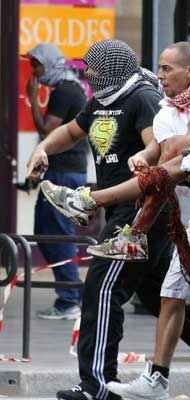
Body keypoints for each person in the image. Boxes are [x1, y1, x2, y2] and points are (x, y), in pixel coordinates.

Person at [27, 39, 190, 400]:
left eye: (96, 70)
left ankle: (96, 384)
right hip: (120, 209)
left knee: (103, 288)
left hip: (144, 212)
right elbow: (71, 131)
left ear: (115, 69)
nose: (91, 76)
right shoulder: (102, 99)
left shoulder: (142, 99)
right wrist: (42, 148)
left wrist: (97, 200)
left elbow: (159, 159)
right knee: (162, 296)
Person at [25, 43, 88, 320]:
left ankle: (70, 299)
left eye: (36, 65)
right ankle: (72, 293)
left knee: (58, 233)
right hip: (60, 171)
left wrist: (31, 100)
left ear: (49, 63)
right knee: (45, 232)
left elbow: (48, 132)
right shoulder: (66, 88)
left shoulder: (64, 90)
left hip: (64, 172)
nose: (34, 72)